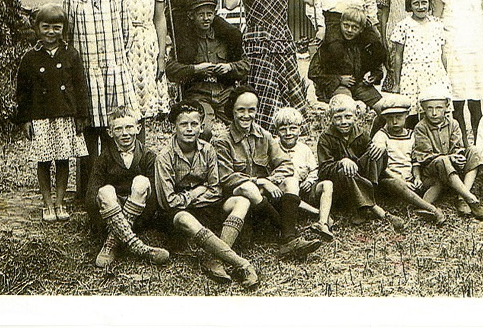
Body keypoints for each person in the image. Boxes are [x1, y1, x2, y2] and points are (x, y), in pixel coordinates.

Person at [154, 101, 258, 287]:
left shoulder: (208, 150)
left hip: (206, 206)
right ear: (174, 127)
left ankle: (215, 260)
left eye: (194, 124)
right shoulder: (164, 157)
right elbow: (169, 202)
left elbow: (215, 189)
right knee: (185, 217)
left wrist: (196, 196)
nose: (189, 129)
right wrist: (195, 193)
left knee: (242, 201)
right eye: (183, 124)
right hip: (178, 215)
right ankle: (241, 263)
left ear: (201, 127)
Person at [224, 0, 316, 131]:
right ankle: (262, 135)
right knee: (265, 91)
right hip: (257, 42)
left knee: (290, 89)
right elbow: (230, 2)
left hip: (283, 40)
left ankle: (290, 134)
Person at [63, 0, 140, 191]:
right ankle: (87, 189)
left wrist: (115, 63)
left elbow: (127, 34)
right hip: (87, 75)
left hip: (114, 72)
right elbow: (68, 37)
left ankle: (114, 182)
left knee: (112, 128)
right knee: (88, 132)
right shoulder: (73, 0)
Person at [214, 86, 322, 259]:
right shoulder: (222, 141)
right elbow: (226, 177)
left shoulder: (264, 135)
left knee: (291, 181)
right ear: (232, 110)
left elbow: (286, 164)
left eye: (251, 110)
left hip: (263, 197)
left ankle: (288, 239)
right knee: (249, 187)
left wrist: (270, 180)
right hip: (236, 198)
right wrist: (260, 181)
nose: (246, 115)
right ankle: (286, 232)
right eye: (241, 110)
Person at [15, 4, 89, 223]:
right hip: (41, 116)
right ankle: (47, 203)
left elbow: (80, 86)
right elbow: (23, 92)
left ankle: (60, 202)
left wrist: (80, 116)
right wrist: (25, 120)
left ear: (63, 29)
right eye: (45, 27)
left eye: (56, 27)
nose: (50, 32)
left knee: (63, 159)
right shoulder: (30, 58)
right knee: (44, 160)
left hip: (65, 114)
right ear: (37, 29)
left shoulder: (71, 55)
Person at [106, 0, 169, 138]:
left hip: (147, 43)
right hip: (119, 45)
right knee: (121, 107)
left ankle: (139, 159)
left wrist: (161, 54)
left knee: (142, 110)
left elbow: (159, 18)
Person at [85, 108, 169, 268]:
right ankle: (139, 247)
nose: (125, 133)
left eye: (129, 127)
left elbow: (154, 196)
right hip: (111, 212)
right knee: (105, 190)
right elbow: (91, 196)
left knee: (141, 182)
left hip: (138, 212)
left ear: (138, 128)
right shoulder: (104, 158)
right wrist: (102, 224)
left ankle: (113, 240)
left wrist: (142, 221)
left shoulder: (148, 156)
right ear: (110, 132)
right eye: (118, 129)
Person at [316, 94, 406, 232]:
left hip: (363, 179)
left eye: (348, 117)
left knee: (377, 151)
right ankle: (378, 211)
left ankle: (367, 200)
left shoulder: (362, 134)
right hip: (342, 186)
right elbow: (323, 171)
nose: (343, 122)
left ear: (355, 116)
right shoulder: (325, 138)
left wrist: (380, 147)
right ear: (330, 118)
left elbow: (372, 161)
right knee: (346, 171)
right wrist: (341, 162)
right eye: (338, 118)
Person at [434, 0, 483, 147]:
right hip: (454, 52)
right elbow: (436, 26)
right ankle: (462, 145)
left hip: (475, 51)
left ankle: (479, 144)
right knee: (457, 102)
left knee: (475, 102)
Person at [165, 0, 248, 129]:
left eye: (209, 14)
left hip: (224, 92)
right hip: (199, 93)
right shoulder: (185, 43)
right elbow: (170, 69)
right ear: (192, 16)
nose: (206, 19)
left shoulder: (226, 39)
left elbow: (246, 65)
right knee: (204, 130)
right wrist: (195, 69)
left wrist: (230, 67)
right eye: (201, 15)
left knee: (242, 124)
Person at [413, 86, 483, 220]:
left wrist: (457, 156)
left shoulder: (453, 124)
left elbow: (457, 147)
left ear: (446, 107)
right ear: (423, 109)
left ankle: (461, 197)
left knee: (473, 151)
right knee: (442, 160)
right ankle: (470, 198)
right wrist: (449, 158)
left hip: (452, 167)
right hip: (433, 171)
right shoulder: (420, 127)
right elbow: (425, 155)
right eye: (430, 108)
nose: (434, 113)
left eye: (439, 108)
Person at [369, 95, 446, 225]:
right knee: (396, 184)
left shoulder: (411, 135)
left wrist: (416, 177)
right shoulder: (382, 136)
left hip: (409, 178)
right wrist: (400, 180)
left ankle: (421, 206)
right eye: (390, 118)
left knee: (437, 181)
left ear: (406, 115)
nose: (394, 122)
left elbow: (414, 160)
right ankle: (432, 209)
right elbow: (381, 166)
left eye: (398, 117)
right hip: (390, 179)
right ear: (385, 118)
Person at [389, 0, 452, 126]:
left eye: (424, 3)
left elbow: (442, 53)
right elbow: (397, 55)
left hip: (434, 73)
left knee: (434, 109)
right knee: (412, 112)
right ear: (410, 5)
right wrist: (397, 82)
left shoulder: (437, 24)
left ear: (429, 3)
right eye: (416, 3)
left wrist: (444, 75)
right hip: (411, 74)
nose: (420, 7)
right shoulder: (403, 25)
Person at [273, 107, 335, 241]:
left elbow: (314, 169)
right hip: (286, 193)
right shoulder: (273, 148)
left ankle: (322, 222)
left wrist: (310, 180)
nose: (288, 133)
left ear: (300, 130)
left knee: (327, 185)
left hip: (304, 189)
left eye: (293, 128)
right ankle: (317, 213)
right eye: (283, 129)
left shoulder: (304, 150)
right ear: (277, 131)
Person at [308, 5, 386, 109]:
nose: (349, 30)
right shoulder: (331, 44)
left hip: (358, 84)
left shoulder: (364, 44)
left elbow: (376, 66)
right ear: (340, 23)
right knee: (346, 105)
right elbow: (313, 72)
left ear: (361, 29)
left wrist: (374, 76)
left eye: (354, 28)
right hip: (335, 86)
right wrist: (339, 79)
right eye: (346, 25)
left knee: (382, 106)